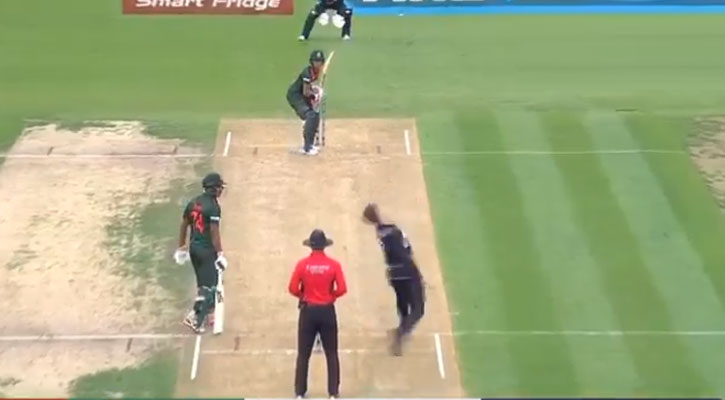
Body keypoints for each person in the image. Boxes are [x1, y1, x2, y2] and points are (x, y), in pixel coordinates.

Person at [288, 229, 347, 398]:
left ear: (311, 246)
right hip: (327, 311)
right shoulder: (334, 265)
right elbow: (342, 288)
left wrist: (303, 296)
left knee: (303, 354)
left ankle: (300, 392)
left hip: (308, 311)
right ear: (324, 246)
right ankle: (333, 393)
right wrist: (331, 296)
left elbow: (292, 288)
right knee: (331, 353)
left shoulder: (302, 265)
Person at [362, 203, 425, 356]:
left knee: (402, 301)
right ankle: (401, 333)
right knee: (418, 309)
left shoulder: (380, 231)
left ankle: (402, 329)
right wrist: (417, 272)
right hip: (407, 269)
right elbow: (407, 251)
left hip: (393, 272)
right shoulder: (394, 230)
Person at [174, 172, 228, 334]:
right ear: (214, 189)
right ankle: (195, 317)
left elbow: (184, 224)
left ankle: (209, 313)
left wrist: (181, 246)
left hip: (194, 250)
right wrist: (220, 253)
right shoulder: (213, 207)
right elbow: (214, 232)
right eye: (220, 187)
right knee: (209, 286)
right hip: (207, 252)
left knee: (202, 283)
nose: (221, 190)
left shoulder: (193, 202)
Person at [286, 50, 326, 156]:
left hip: (302, 96)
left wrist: (315, 90)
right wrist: (315, 95)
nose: (317, 63)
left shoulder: (316, 72)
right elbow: (306, 92)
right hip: (295, 96)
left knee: (315, 115)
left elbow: (308, 88)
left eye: (319, 61)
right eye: (315, 61)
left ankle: (311, 144)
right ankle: (307, 148)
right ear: (311, 62)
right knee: (310, 116)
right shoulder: (307, 72)